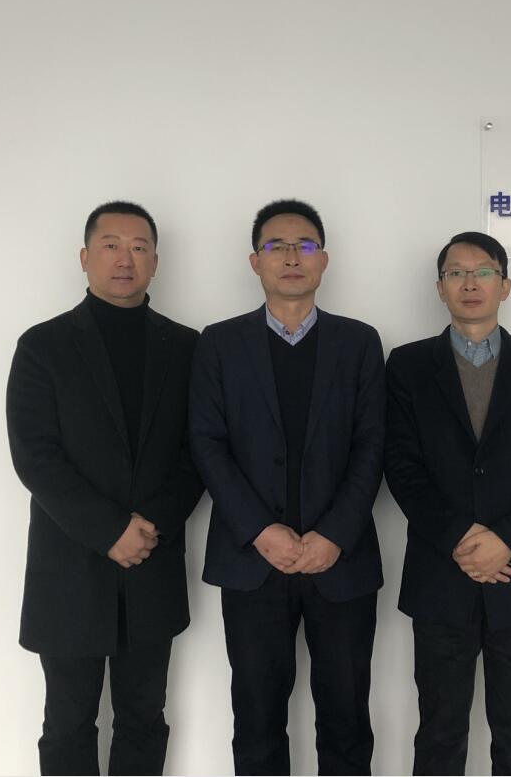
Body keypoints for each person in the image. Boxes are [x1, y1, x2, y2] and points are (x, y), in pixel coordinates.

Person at [6, 201, 202, 776]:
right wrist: (109, 530)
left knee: (144, 716)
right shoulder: (43, 345)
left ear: (155, 261)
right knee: (68, 721)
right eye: (111, 245)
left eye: (139, 247)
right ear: (85, 257)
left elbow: (199, 452)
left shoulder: (187, 348)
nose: (125, 259)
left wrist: (148, 527)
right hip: (70, 567)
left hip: (152, 561)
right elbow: (36, 456)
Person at [190, 199, 385, 775]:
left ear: (324, 259)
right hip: (252, 564)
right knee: (256, 723)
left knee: (347, 722)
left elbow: (373, 445)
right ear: (255, 262)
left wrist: (335, 534)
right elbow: (207, 443)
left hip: (341, 563)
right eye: (276, 247)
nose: (291, 257)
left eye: (304, 245)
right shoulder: (219, 343)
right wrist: (260, 530)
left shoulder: (359, 342)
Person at [384, 231, 511, 776]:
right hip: (441, 577)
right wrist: (463, 542)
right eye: (456, 273)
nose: (470, 283)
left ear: (505, 285)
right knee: (439, 735)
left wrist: (506, 540)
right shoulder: (408, 365)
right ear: (440, 288)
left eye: (484, 271)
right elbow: (402, 467)